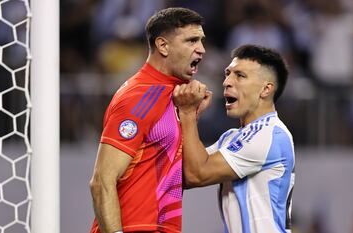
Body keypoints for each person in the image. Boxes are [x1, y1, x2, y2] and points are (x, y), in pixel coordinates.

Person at [89, 7, 205, 233]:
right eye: (192, 40)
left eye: (201, 40)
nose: (201, 49)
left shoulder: (176, 96)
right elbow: (101, 181)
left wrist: (190, 116)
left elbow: (183, 175)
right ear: (163, 46)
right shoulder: (139, 96)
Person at [173, 44, 295, 233]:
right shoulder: (231, 137)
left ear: (266, 89)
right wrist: (192, 117)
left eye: (240, 76)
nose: (227, 82)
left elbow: (196, 175)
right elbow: (181, 172)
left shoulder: (270, 134)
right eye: (228, 73)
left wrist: (187, 114)